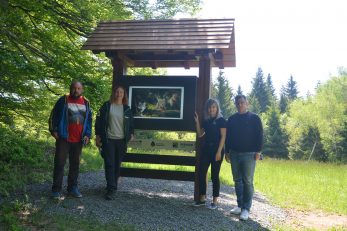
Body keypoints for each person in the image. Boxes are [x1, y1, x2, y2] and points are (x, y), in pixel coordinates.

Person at [48, 80, 92, 199]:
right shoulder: (63, 100)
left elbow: (88, 121)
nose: (76, 90)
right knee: (59, 163)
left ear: (82, 90)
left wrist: (88, 134)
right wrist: (53, 131)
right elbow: (53, 116)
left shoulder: (86, 103)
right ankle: (56, 189)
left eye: (78, 88)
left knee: (75, 164)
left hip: (78, 140)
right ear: (70, 88)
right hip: (64, 138)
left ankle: (72, 188)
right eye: (74, 88)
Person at [225, 95, 263, 221]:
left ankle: (246, 208)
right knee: (237, 180)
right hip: (234, 154)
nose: (240, 105)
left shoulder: (255, 118)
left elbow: (260, 136)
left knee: (247, 181)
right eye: (238, 103)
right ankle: (240, 205)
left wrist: (258, 151)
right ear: (236, 105)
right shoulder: (231, 119)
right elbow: (228, 137)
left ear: (247, 103)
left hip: (249, 154)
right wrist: (227, 152)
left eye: (242, 102)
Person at [95, 86, 134, 200]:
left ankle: (113, 186)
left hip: (121, 140)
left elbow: (131, 124)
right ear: (114, 93)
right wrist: (97, 136)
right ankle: (111, 188)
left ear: (124, 94)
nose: (119, 93)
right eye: (117, 92)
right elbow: (99, 122)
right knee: (109, 163)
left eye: (121, 92)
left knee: (117, 164)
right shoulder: (106, 106)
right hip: (109, 140)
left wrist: (131, 133)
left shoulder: (127, 109)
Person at [194, 99, 226, 209]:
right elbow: (200, 134)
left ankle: (215, 201)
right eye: (209, 107)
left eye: (213, 107)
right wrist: (197, 122)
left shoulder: (221, 120)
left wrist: (219, 151)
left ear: (217, 108)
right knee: (202, 172)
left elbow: (223, 137)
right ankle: (202, 198)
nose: (211, 109)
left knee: (214, 175)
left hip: (217, 150)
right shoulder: (206, 121)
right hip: (206, 150)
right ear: (207, 109)